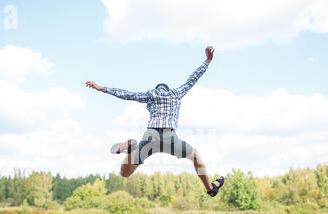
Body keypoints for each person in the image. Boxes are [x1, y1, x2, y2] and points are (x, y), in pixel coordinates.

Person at [85, 46, 224, 197]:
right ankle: (210, 189)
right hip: (170, 137)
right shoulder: (176, 93)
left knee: (125, 172)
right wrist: (207, 61)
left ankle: (131, 150)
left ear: (157, 89)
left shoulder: (150, 95)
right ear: (167, 89)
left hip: (150, 136)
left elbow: (127, 94)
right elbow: (193, 78)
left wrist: (103, 88)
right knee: (196, 156)